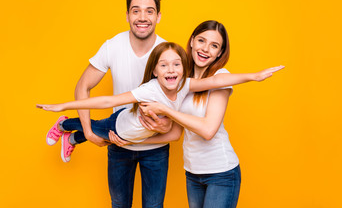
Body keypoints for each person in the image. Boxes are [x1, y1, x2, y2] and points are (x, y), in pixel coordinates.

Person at [111, 20, 278, 208]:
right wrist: (128, 141)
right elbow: (175, 134)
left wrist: (166, 110)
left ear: (220, 53)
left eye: (214, 46)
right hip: (192, 173)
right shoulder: (180, 78)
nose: (206, 49)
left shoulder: (220, 78)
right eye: (201, 41)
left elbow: (208, 130)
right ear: (191, 41)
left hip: (221, 173)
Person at [37, 42, 283, 164]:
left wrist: (254, 76)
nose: (171, 70)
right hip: (120, 126)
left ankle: (72, 138)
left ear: (184, 69)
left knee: (96, 136)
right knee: (96, 128)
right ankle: (64, 124)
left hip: (135, 137)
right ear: (154, 71)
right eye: (164, 66)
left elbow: (218, 81)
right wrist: (64, 106)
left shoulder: (185, 84)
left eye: (176, 65)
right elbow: (109, 100)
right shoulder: (148, 90)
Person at [73, 0, 168, 208]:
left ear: (159, 16)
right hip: (118, 142)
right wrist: (87, 131)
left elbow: (180, 99)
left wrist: (165, 126)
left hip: (155, 147)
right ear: (127, 15)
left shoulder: (167, 51)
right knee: (119, 206)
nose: (142, 17)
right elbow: (82, 87)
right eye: (136, 10)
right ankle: (71, 132)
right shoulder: (113, 46)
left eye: (149, 11)